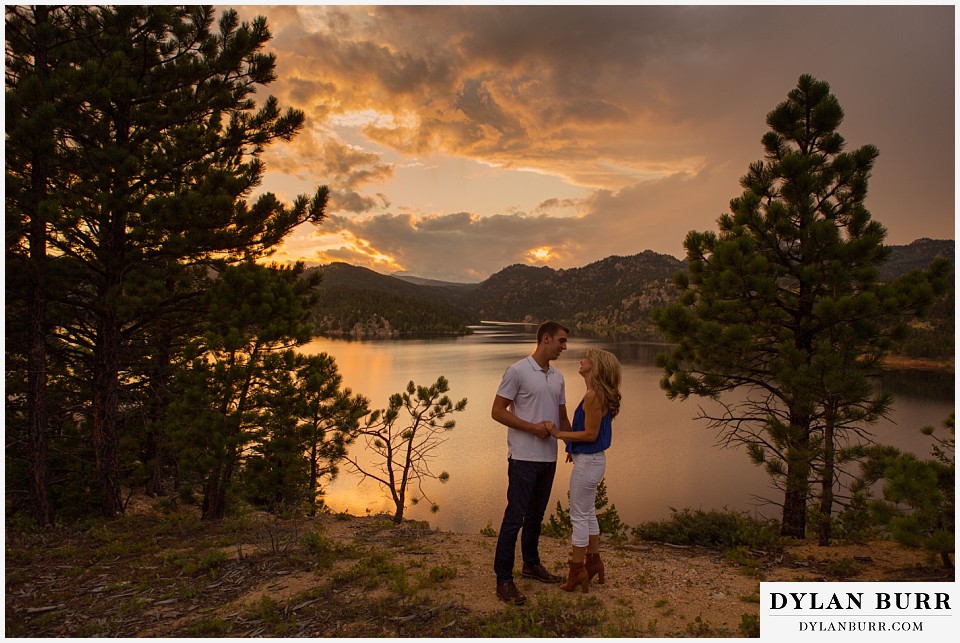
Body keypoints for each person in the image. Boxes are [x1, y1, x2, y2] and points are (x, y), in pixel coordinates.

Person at [491, 321, 572, 605]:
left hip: (548, 458)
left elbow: (562, 417)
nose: (564, 347)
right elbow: (497, 412)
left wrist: (572, 444)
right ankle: (503, 579)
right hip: (523, 457)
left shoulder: (559, 377)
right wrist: (532, 428)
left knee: (536, 516)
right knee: (515, 518)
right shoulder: (517, 371)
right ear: (545, 338)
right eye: (561, 341)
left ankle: (531, 563)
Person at [547, 348, 622, 593]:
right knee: (588, 513)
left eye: (585, 358)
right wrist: (573, 446)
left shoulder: (593, 396)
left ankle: (577, 569)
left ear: (595, 365)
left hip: (588, 462)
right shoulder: (598, 393)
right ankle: (594, 561)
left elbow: (590, 434)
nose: (581, 361)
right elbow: (591, 433)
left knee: (578, 516)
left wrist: (559, 434)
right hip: (593, 460)